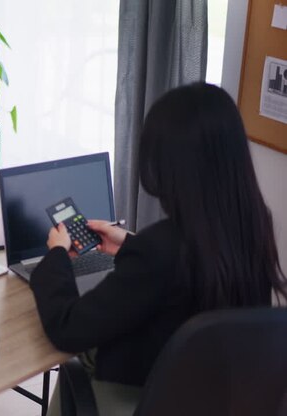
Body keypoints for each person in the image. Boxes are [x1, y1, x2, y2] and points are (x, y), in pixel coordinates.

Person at [31, 83, 287, 416]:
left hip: (144, 396)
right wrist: (129, 246)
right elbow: (192, 267)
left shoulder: (159, 249)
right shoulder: (251, 222)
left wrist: (56, 256)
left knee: (75, 369)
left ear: (168, 166)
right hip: (217, 397)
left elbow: (67, 328)